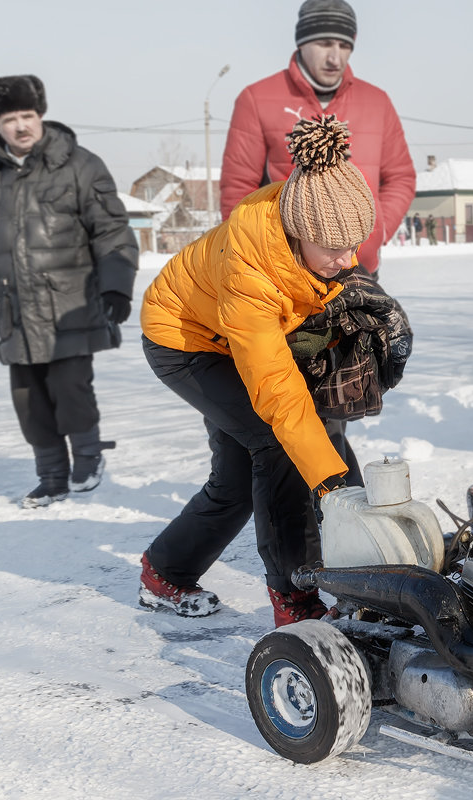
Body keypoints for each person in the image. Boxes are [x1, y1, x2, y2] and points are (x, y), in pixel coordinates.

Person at [137, 116, 379, 627]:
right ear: (299, 234)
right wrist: (331, 484)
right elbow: (278, 393)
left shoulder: (306, 219)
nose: (348, 258)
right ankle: (296, 597)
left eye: (354, 244)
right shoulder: (252, 269)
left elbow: (311, 292)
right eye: (336, 249)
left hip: (233, 334)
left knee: (240, 475)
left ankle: (166, 572)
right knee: (279, 444)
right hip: (185, 340)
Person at [0, 75, 138, 508]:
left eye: (28, 116)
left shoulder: (79, 164)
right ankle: (51, 475)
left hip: (71, 303)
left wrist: (117, 288)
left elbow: (112, 231)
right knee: (28, 398)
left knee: (71, 387)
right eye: (9, 119)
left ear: (41, 115)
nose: (20, 126)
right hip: (14, 308)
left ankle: (87, 460)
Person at [219, 0, 415, 280]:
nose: (335, 57)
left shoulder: (377, 101)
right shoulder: (256, 99)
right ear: (302, 42)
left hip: (359, 267)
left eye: (345, 46)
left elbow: (401, 177)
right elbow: (238, 191)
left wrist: (376, 230)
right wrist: (259, 254)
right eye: (324, 44)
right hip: (286, 271)